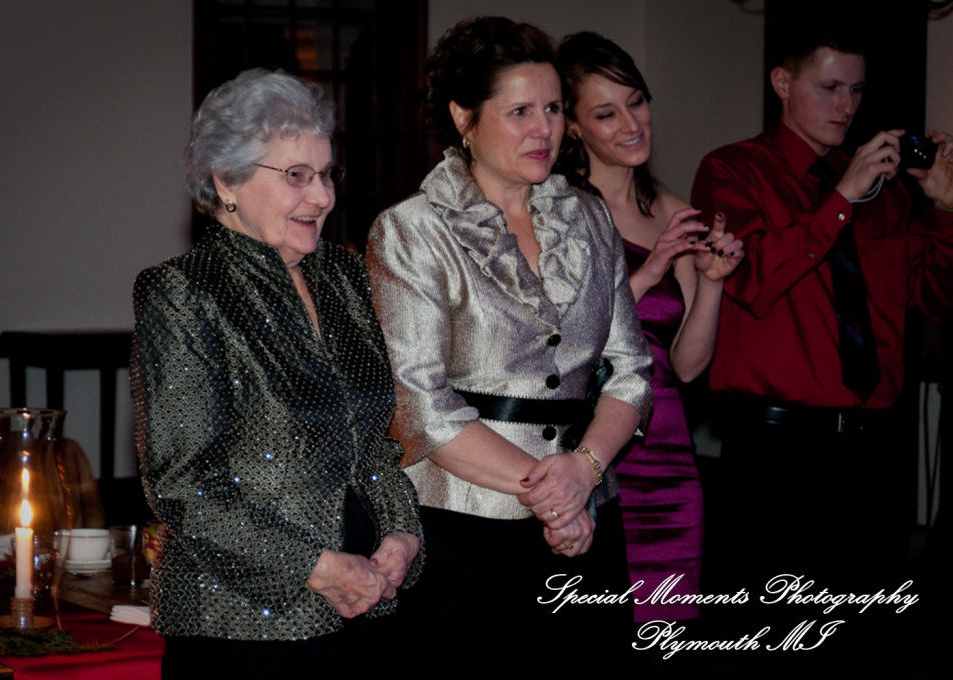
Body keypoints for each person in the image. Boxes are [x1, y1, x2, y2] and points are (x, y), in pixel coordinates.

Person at [364, 17, 652, 672]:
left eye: (553, 109)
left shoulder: (590, 217)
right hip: (463, 534)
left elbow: (632, 371)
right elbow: (419, 408)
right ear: (464, 117)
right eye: (520, 111)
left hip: (587, 522)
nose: (544, 129)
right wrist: (551, 493)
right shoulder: (411, 231)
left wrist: (583, 471)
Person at [131, 69, 422, 679]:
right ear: (226, 181)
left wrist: (401, 535)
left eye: (327, 174)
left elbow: (374, 444)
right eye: (296, 176)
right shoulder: (184, 292)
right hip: (242, 630)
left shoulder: (343, 277)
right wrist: (320, 567)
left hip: (366, 612)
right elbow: (184, 486)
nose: (322, 197)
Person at [690, 25, 953, 608]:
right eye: (830, 87)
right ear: (783, 83)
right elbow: (751, 279)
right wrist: (841, 198)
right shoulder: (733, 170)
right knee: (775, 629)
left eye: (857, 90)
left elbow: (933, 301)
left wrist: (943, 209)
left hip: (874, 448)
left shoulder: (887, 190)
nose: (846, 106)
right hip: (775, 448)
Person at [556, 31, 744, 624]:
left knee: (670, 638)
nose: (632, 124)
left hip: (669, 456)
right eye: (606, 113)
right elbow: (567, 342)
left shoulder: (672, 210)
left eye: (636, 101)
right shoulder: (559, 211)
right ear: (574, 127)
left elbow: (688, 365)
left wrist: (711, 282)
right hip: (595, 457)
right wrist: (650, 270)